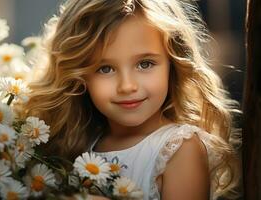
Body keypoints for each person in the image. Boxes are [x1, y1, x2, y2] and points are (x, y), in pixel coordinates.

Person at [22, 0, 242, 199]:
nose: (127, 86)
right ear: (80, 77)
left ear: (172, 65)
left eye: (145, 64)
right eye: (105, 68)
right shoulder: (82, 142)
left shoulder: (179, 149)